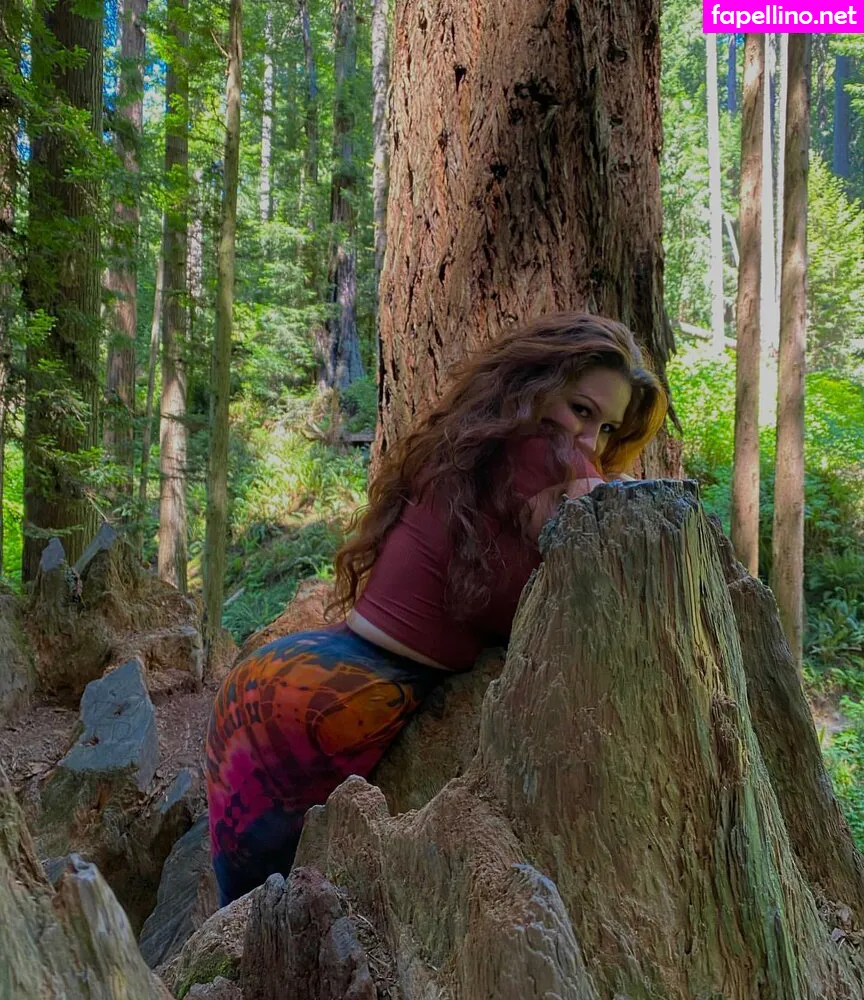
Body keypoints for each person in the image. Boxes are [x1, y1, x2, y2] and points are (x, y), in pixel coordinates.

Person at [205, 312, 667, 904]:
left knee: (247, 914)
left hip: (283, 677)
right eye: (581, 410)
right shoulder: (544, 453)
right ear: (539, 386)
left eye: (605, 428)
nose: (588, 441)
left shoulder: (470, 444)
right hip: (339, 701)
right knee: (276, 918)